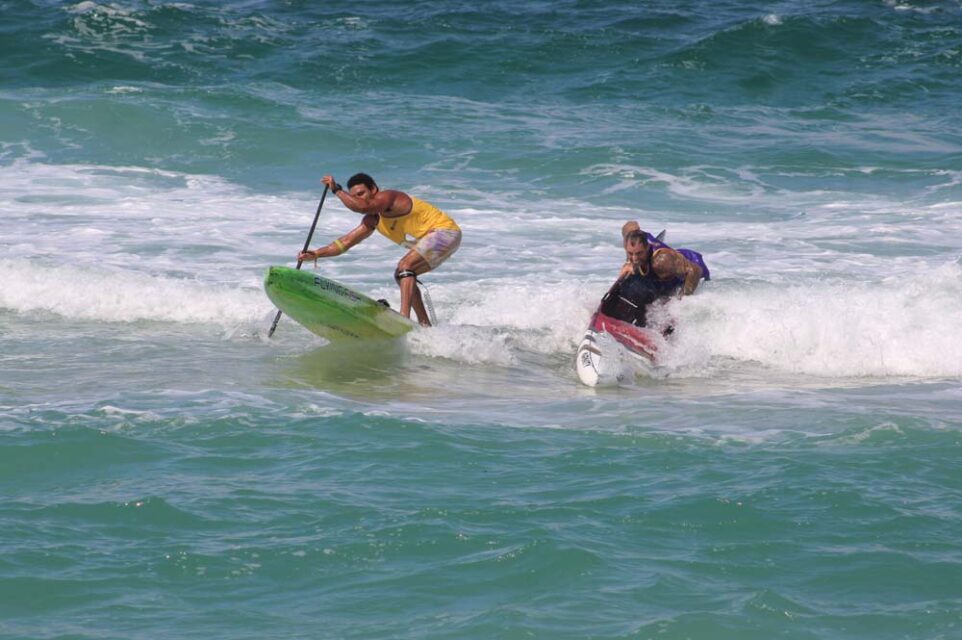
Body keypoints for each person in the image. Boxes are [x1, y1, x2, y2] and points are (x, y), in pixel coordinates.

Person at [298, 173, 461, 326]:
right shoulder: (373, 219)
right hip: (438, 240)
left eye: (361, 194)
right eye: (354, 196)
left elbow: (362, 207)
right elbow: (345, 243)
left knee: (405, 266)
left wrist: (336, 189)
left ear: (374, 189)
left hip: (445, 232)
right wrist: (316, 253)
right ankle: (424, 325)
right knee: (402, 274)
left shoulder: (389, 198)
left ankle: (404, 318)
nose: (358, 199)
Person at [601, 222, 709, 327]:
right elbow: (628, 226)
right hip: (671, 264)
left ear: (647, 248)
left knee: (659, 297)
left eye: (639, 253)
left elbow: (695, 270)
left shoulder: (660, 262)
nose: (634, 258)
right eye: (630, 253)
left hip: (692, 272)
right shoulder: (634, 235)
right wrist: (628, 262)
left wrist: (681, 303)